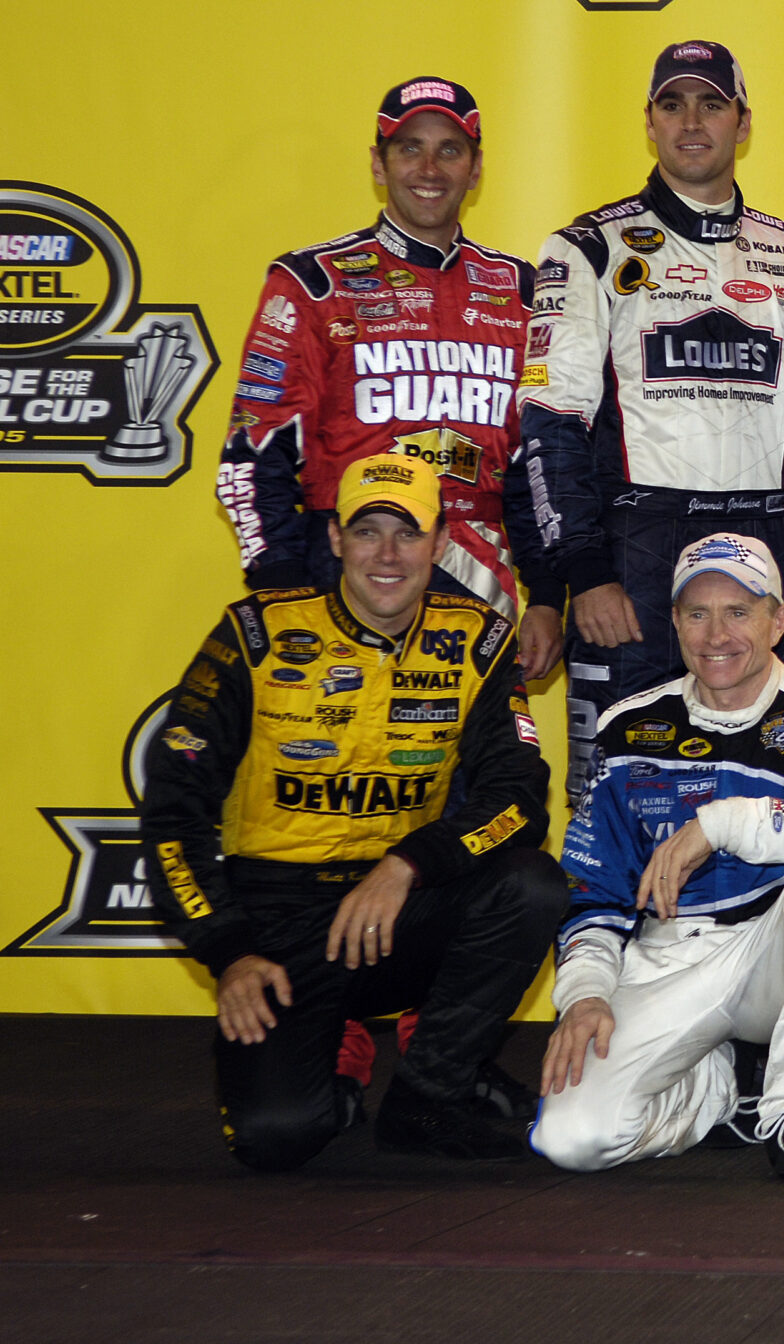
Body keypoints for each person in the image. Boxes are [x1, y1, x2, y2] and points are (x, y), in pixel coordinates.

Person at [142, 454, 565, 1171]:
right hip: (280, 924)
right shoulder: (256, 634)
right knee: (278, 1138)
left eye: (408, 534)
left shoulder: (480, 639)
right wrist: (229, 950)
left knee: (530, 884)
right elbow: (174, 810)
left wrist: (408, 866)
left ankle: (429, 1097)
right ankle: (325, 1073)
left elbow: (517, 800)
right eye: (367, 532)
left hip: (396, 910)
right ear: (335, 538)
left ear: (438, 544)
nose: (388, 555)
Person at [531, 534, 784, 1181]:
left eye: (739, 611)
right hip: (669, 957)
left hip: (775, 955)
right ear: (673, 621)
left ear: (779, 620)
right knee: (573, 1140)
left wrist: (723, 822)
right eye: (697, 613)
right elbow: (592, 894)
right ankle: (714, 1085)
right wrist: (586, 996)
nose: (716, 634)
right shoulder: (629, 725)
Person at [519, 41, 784, 806]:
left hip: (765, 545)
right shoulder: (588, 247)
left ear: (742, 121)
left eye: (712, 103)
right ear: (650, 123)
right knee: (620, 793)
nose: (693, 121)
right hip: (637, 552)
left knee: (765, 787)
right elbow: (548, 429)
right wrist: (583, 575)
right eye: (673, 103)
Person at [218, 76, 553, 634]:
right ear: (378, 164)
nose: (429, 169)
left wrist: (547, 590)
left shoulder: (522, 289)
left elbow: (538, 460)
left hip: (480, 574)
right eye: (409, 148)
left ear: (475, 168)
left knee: (486, 726)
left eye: (449, 149)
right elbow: (252, 451)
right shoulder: (312, 282)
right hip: (344, 571)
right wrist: (281, 590)